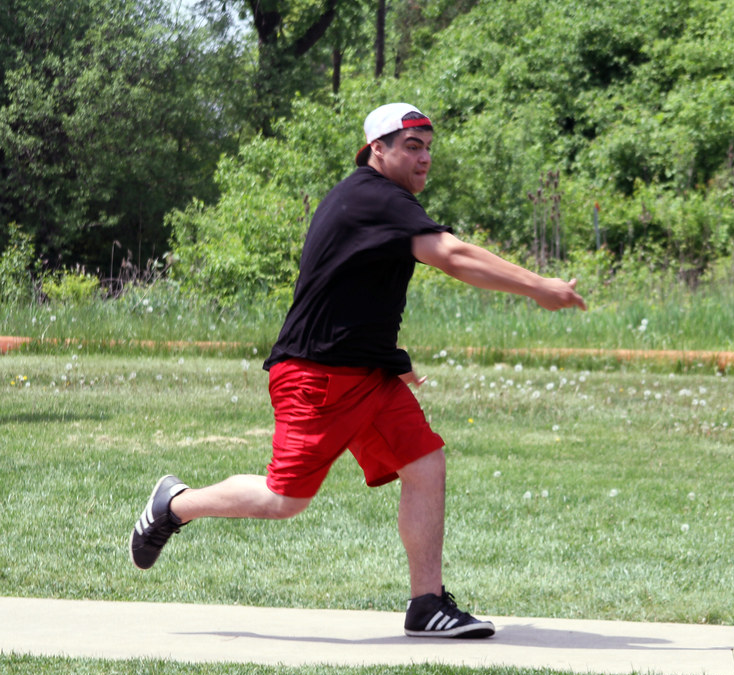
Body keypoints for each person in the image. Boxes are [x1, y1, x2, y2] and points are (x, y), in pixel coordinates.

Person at [129, 102, 587, 638]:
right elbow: (453, 256)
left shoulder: (375, 201)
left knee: (425, 463)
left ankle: (427, 604)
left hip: (366, 375)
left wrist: (393, 360)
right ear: (379, 149)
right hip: (317, 377)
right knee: (285, 500)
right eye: (411, 146)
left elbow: (349, 293)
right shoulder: (374, 196)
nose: (424, 158)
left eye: (429, 147)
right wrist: (540, 287)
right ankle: (175, 504)